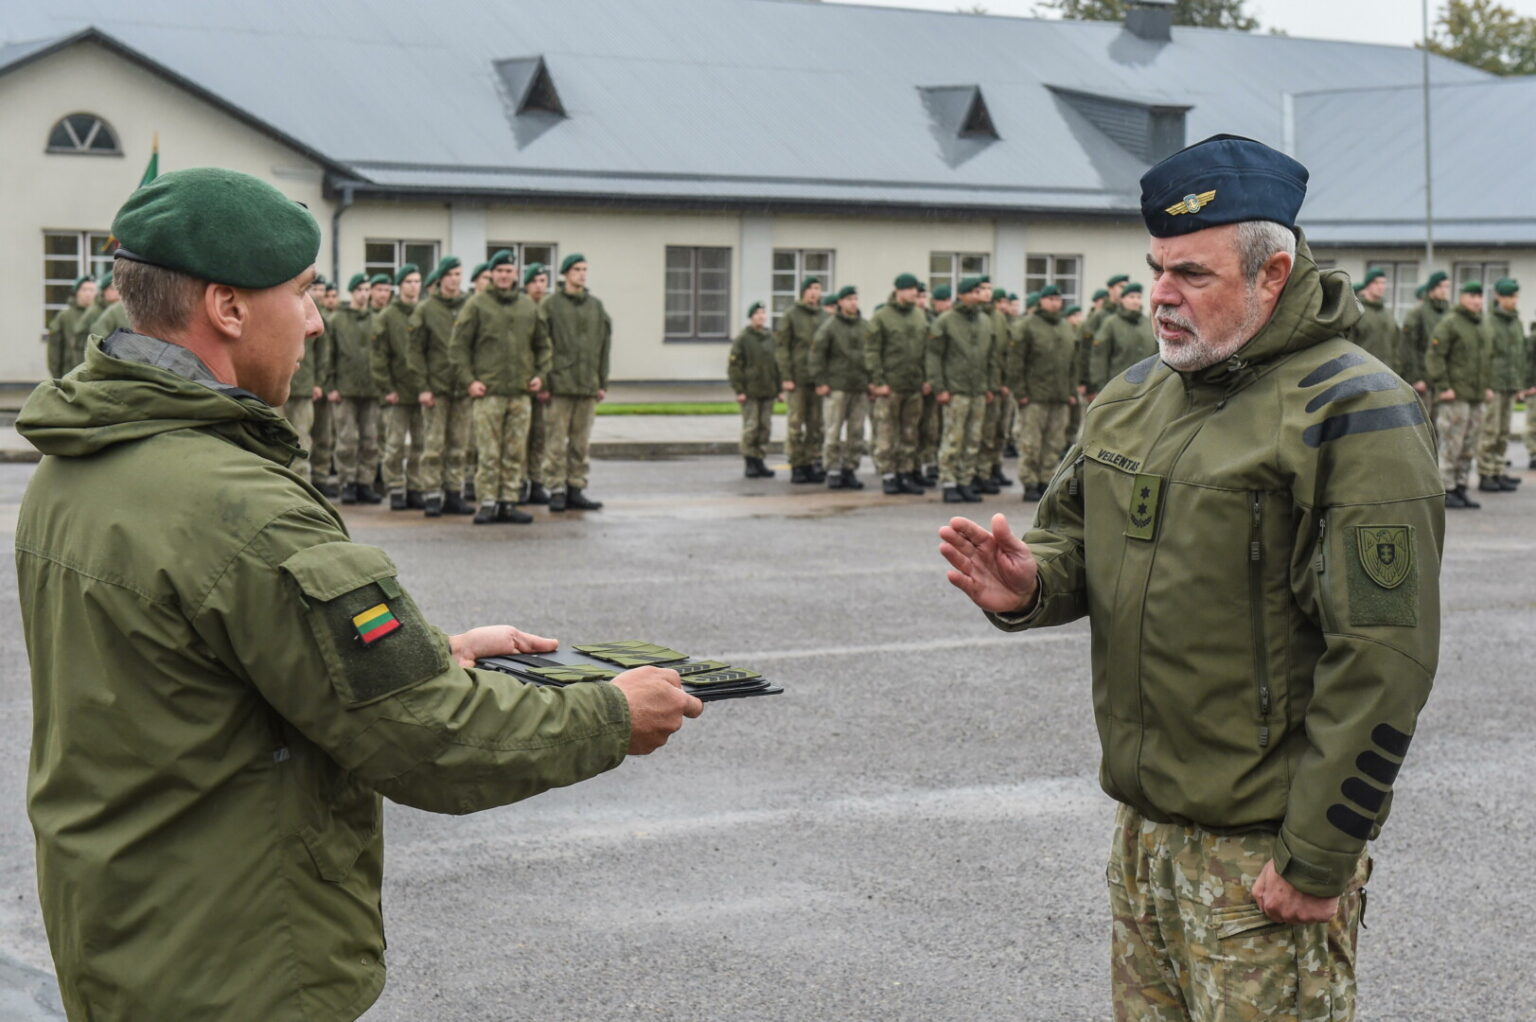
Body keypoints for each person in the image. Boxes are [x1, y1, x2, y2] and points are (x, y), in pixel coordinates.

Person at [15, 167, 703, 1022]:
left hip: (126, 928)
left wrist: (435, 651)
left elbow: (193, 671)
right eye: (300, 294)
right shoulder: (238, 506)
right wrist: (608, 714)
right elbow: (421, 737)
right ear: (228, 309)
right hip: (235, 964)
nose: (314, 318)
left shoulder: (79, 463)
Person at [940, 135, 1441, 1022]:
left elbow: (1383, 658)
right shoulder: (1138, 392)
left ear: (1273, 274)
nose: (1161, 296)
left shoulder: (1353, 411)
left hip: (1264, 853)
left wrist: (1319, 855)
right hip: (1145, 833)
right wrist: (1030, 586)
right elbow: (1069, 542)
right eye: (1156, 269)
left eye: (1193, 275)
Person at [450, 249, 542, 525]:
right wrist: (470, 380)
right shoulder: (477, 305)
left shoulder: (528, 306)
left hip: (520, 393)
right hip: (488, 394)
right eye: (499, 271)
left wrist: (540, 374)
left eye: (508, 271)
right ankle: (488, 502)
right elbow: (458, 347)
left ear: (515, 274)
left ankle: (508, 501)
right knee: (488, 453)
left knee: (515, 452)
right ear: (492, 274)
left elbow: (543, 345)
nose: (504, 276)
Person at [540, 253, 611, 512]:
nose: (582, 274)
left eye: (584, 269)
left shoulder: (596, 306)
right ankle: (556, 489)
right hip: (560, 384)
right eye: (577, 269)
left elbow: (604, 346)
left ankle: (576, 487)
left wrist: (601, 381)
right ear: (565, 274)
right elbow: (541, 344)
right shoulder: (551, 306)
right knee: (556, 440)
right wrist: (545, 381)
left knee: (581, 442)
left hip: (586, 384)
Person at [409, 256, 475, 516]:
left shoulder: (470, 306)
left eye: (458, 274)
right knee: (434, 445)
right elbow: (414, 353)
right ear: (440, 278)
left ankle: (454, 493)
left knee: (459, 445)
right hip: (437, 388)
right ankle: (433, 494)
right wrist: (423, 386)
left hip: (462, 388)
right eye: (450, 274)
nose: (455, 279)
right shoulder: (426, 310)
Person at [928, 275, 999, 503]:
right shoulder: (946, 320)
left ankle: (966, 480)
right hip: (956, 389)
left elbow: (991, 357)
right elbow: (934, 356)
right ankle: (949, 481)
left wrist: (990, 386)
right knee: (953, 437)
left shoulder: (985, 321)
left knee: (973, 438)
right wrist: (940, 387)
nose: (977, 296)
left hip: (977, 389)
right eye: (973, 292)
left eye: (979, 292)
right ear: (961, 295)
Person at [1427, 281, 1494, 509]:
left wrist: (1487, 386)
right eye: (1472, 296)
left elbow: (1486, 359)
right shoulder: (1451, 323)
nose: (1477, 301)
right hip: (1455, 396)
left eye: (1479, 296)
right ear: (1462, 298)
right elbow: (1435, 355)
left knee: (1469, 445)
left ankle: (1462, 486)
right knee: (1451, 444)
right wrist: (1443, 385)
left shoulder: (1482, 325)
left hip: (1475, 395)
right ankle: (1446, 489)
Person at [1007, 284, 1077, 502]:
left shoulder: (1066, 327)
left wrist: (1071, 390)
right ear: (1041, 301)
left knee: (1054, 442)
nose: (1055, 303)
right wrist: (1020, 392)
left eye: (1058, 299)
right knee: (1031, 442)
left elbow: (1073, 363)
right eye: (1051, 299)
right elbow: (1015, 361)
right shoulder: (1027, 326)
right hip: (1034, 395)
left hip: (1059, 396)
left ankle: (1046, 480)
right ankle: (1029, 482)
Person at [866, 272, 930, 495]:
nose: (916, 293)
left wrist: (926, 378)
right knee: (887, 431)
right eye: (912, 289)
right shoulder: (882, 317)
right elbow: (872, 352)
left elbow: (926, 351)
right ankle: (888, 474)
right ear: (900, 291)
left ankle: (905, 472)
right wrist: (878, 381)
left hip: (913, 385)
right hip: (890, 386)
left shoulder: (919, 316)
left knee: (909, 432)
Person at [372, 264, 427, 511]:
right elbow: (379, 357)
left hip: (423, 390)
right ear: (400, 285)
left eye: (417, 282)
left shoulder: (426, 311)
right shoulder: (388, 316)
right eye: (409, 282)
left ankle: (415, 486)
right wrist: (386, 388)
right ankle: (395, 486)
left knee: (420, 443)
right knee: (394, 443)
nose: (414, 286)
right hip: (398, 390)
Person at [327, 273, 383, 504]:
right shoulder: (338, 320)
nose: (364, 293)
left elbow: (382, 354)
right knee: (346, 439)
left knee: (371, 439)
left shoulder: (377, 319)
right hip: (345, 388)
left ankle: (365, 482)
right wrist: (330, 385)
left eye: (367, 289)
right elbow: (328, 355)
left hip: (371, 388)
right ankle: (347, 481)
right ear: (352, 292)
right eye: (359, 289)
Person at [810, 285, 870, 490]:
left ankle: (850, 469)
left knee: (856, 431)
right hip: (837, 387)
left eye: (855, 299)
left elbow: (871, 355)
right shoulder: (830, 326)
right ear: (841, 303)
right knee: (833, 430)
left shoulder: (865, 326)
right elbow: (817, 355)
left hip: (859, 386)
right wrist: (821, 381)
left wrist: (871, 380)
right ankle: (833, 469)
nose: (853, 303)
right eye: (849, 299)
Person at [776, 276, 828, 484]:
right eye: (811, 289)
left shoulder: (825, 317)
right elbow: (782, 348)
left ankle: (811, 462)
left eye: (818, 288)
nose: (814, 293)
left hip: (817, 380)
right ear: (804, 292)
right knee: (796, 424)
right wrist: (786, 376)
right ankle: (797, 464)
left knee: (816, 425)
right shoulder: (791, 316)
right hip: (797, 379)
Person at [1476, 278, 1524, 493]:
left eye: (1515, 296)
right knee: (1491, 430)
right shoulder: (1490, 322)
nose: (1514, 300)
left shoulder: (1516, 321)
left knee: (1504, 431)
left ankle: (1498, 469)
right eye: (1510, 297)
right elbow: (1485, 355)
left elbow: (1519, 355)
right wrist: (1485, 383)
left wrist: (1519, 383)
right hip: (1494, 383)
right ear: (1499, 298)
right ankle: (1486, 473)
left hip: (1510, 383)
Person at [728, 301, 780, 478]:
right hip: (750, 390)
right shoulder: (743, 339)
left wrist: (779, 389)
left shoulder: (771, 338)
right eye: (757, 313)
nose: (761, 317)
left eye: (763, 313)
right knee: (752, 426)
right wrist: (739, 389)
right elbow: (735, 366)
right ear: (751, 317)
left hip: (768, 390)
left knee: (765, 427)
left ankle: (760, 459)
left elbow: (777, 365)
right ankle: (749, 460)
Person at [520, 262, 554, 505]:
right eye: (535, 281)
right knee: (521, 437)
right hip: (521, 381)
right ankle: (520, 482)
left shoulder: (550, 309)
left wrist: (546, 382)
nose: (540, 286)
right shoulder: (521, 308)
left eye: (543, 281)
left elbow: (551, 349)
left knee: (540, 436)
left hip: (542, 381)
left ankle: (537, 480)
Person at [1400, 271, 1448, 413]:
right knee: (1423, 422)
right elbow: (1408, 348)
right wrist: (1415, 378)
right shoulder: (1418, 312)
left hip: (1440, 380)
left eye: (1447, 287)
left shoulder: (1447, 314)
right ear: (1432, 288)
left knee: (1440, 426)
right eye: (1441, 287)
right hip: (1422, 378)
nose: (1445, 291)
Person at [919, 284, 953, 483]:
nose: (946, 304)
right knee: (927, 426)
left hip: (947, 382)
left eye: (949, 300)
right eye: (942, 301)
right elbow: (928, 355)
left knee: (940, 426)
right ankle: (928, 461)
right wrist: (929, 379)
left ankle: (934, 463)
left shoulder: (944, 321)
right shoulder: (929, 322)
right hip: (929, 381)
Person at [46, 274, 98, 379]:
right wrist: (57, 377)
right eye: (84, 290)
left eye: (92, 290)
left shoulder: (102, 315)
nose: (88, 294)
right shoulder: (64, 316)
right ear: (76, 293)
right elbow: (54, 350)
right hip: (70, 375)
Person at [1348, 268, 1401, 371]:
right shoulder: (1357, 310)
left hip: (1388, 373)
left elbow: (1396, 345)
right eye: (1376, 283)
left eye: (1383, 283)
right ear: (1367, 285)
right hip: (1363, 372)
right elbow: (1349, 343)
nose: (1381, 287)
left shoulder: (1388, 313)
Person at [87, 271, 131, 338]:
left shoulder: (123, 310)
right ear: (104, 291)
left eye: (120, 288)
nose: (117, 292)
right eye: (113, 288)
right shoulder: (94, 311)